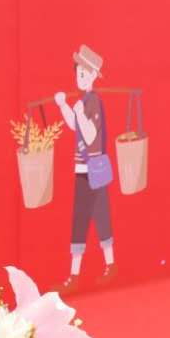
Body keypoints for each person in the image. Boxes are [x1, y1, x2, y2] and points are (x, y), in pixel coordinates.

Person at [54, 44, 115, 291]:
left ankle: (105, 266)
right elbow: (74, 126)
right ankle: (77, 273)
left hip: (93, 171)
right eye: (77, 72)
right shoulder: (83, 102)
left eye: (83, 73)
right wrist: (63, 106)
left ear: (92, 76)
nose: (79, 77)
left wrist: (78, 113)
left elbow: (90, 136)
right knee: (83, 219)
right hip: (82, 171)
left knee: (97, 218)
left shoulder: (94, 102)